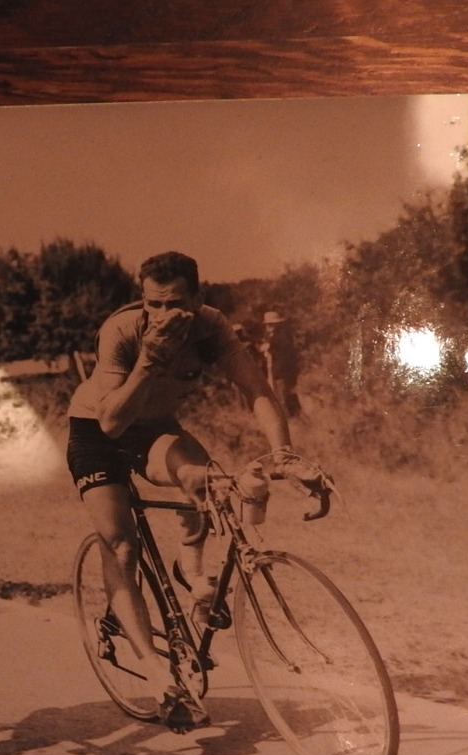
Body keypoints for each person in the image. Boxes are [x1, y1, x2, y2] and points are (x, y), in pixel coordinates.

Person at [66, 251, 297, 726]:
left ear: (198, 296)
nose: (163, 315)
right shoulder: (124, 330)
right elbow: (110, 421)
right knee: (122, 547)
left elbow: (257, 391)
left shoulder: (213, 327)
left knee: (206, 480)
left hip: (152, 428)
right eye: (153, 303)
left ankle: (191, 575)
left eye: (175, 303)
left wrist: (284, 454)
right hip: (97, 431)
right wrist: (149, 362)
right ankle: (158, 678)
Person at [248, 310, 304, 418]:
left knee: (284, 397)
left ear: (276, 325)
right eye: (268, 325)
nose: (268, 327)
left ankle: (294, 418)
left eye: (270, 325)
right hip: (281, 371)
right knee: (286, 395)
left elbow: (267, 348)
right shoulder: (279, 336)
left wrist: (259, 346)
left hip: (282, 372)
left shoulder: (279, 337)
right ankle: (298, 417)